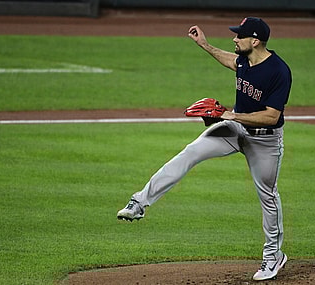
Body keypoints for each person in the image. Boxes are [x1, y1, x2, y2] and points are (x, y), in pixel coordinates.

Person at [117, 17, 292, 281]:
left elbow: (271, 116)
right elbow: (231, 61)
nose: (234, 39)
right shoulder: (244, 60)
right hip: (235, 129)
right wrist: (205, 45)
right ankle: (139, 202)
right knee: (190, 152)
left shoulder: (278, 71)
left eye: (239, 36)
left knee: (267, 196)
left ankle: (273, 257)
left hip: (265, 140)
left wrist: (231, 116)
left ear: (254, 41)